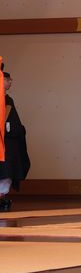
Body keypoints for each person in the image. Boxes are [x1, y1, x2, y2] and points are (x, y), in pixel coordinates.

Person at [0, 71, 30, 211]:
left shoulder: (8, 100)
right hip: (4, 142)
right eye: (7, 79)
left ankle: (2, 198)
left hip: (8, 143)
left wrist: (15, 129)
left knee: (7, 171)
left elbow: (13, 124)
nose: (10, 81)